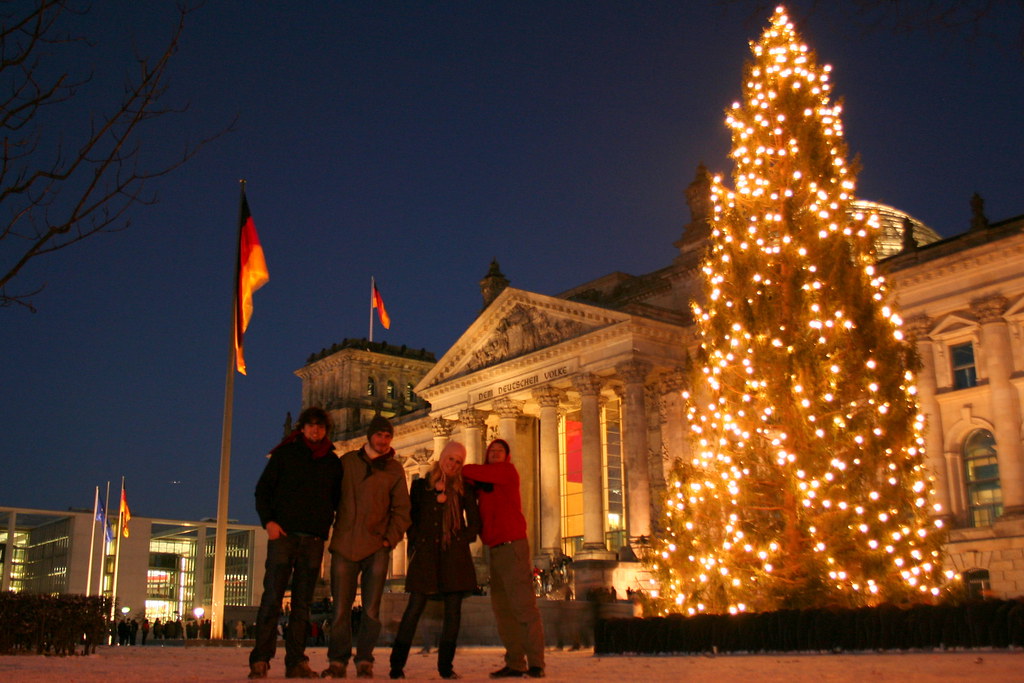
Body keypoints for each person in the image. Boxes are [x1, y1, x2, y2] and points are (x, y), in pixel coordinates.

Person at [248, 407, 343, 680]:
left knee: (303, 604)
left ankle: (296, 661)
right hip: (284, 536)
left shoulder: (332, 462)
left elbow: (338, 500)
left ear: (326, 430)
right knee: (272, 598)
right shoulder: (285, 454)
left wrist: (326, 526)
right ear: (302, 428)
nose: (315, 430)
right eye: (311, 425)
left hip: (313, 539)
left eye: (320, 426)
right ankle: (260, 659)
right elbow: (262, 491)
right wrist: (269, 521)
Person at [323, 414, 411, 679]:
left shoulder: (394, 469)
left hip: (376, 547)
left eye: (387, 436)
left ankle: (364, 660)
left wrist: (388, 540)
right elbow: (328, 497)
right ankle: (337, 660)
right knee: (340, 609)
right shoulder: (347, 462)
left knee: (372, 610)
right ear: (370, 436)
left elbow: (402, 510)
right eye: (379, 435)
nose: (383, 440)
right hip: (344, 545)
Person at [389, 441, 481, 680]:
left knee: (453, 614)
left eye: (458, 461)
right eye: (451, 459)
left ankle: (446, 667)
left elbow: (475, 522)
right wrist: (417, 540)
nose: (454, 464)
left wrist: (460, 539)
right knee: (414, 609)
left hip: (454, 557)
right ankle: (396, 665)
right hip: (427, 555)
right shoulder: (421, 486)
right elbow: (411, 517)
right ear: (442, 458)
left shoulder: (464, 489)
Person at [462, 439, 546, 679]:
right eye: (492, 451)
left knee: (523, 606)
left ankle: (536, 663)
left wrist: (468, 475)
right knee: (503, 610)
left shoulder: (506, 471)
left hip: (512, 545)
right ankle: (515, 662)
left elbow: (468, 470)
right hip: (495, 548)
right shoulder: (486, 480)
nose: (495, 453)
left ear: (506, 456)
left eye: (500, 451)